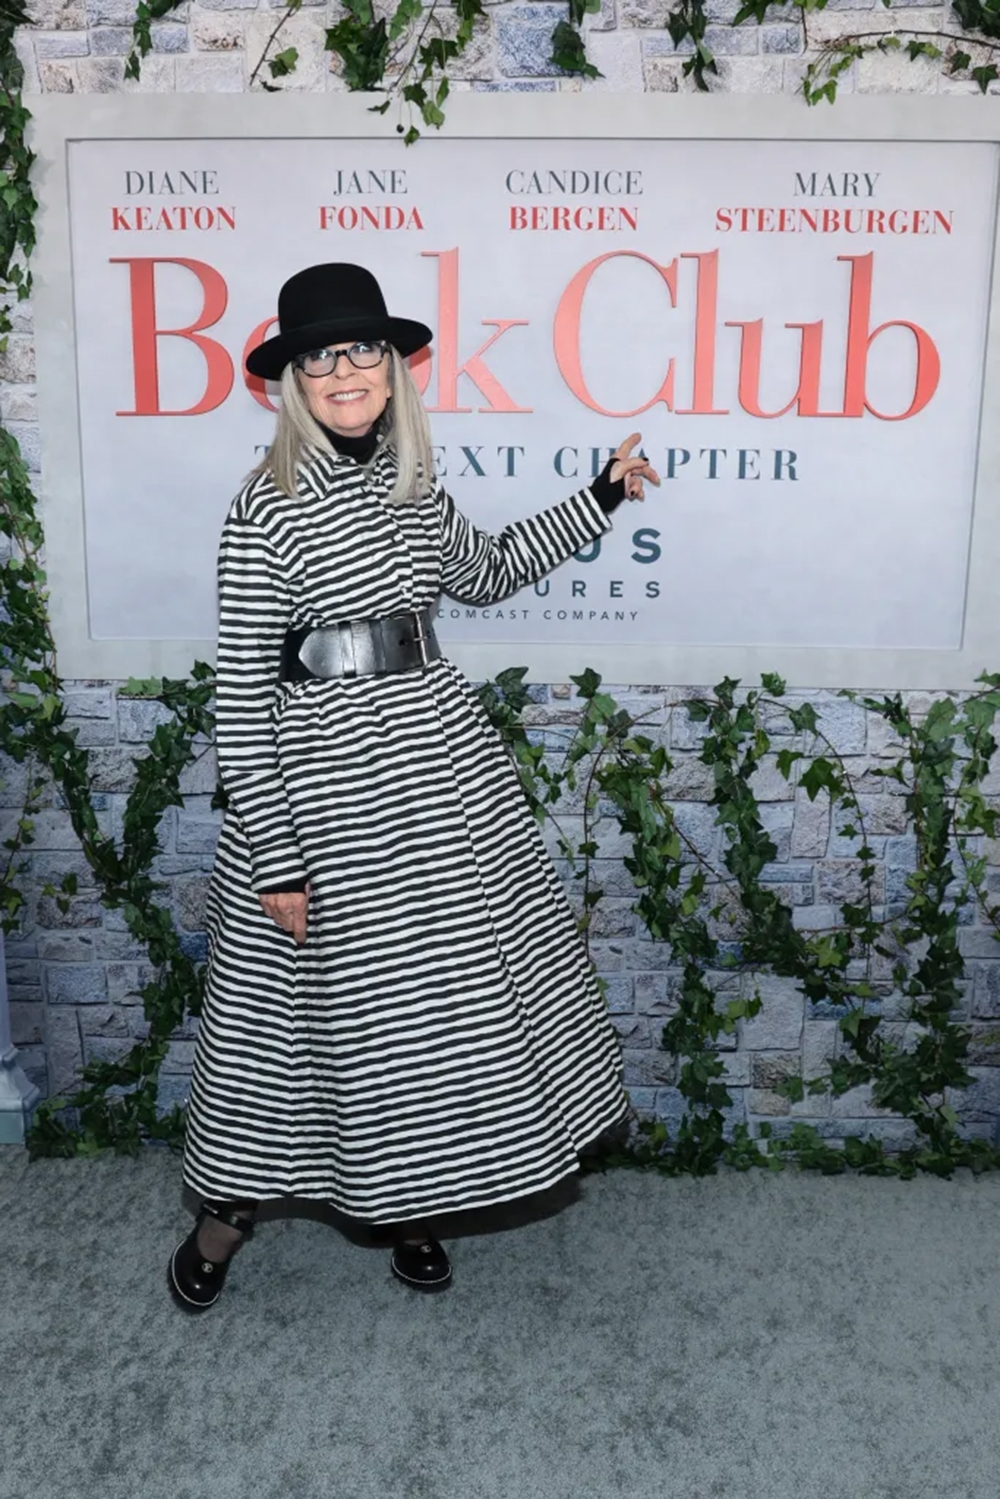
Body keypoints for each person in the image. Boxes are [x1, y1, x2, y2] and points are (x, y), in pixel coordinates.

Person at [168, 262, 660, 1311]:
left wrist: (600, 495)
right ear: (291, 381)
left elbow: (483, 571)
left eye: (359, 352)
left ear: (391, 370)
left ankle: (416, 1202)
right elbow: (243, 699)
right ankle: (221, 1221)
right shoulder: (262, 506)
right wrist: (279, 857)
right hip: (324, 793)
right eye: (319, 356)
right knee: (294, 1023)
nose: (342, 371)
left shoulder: (412, 483)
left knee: (434, 1007)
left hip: (439, 773)